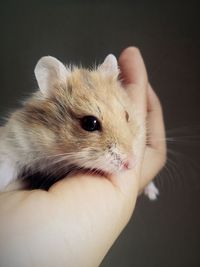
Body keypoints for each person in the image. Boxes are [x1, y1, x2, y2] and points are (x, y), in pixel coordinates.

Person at [0, 47, 166, 267]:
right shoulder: (25, 131)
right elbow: (8, 155)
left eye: (124, 117)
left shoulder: (127, 121)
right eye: (90, 124)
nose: (129, 161)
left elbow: (131, 136)